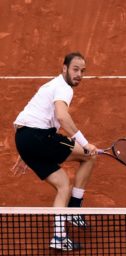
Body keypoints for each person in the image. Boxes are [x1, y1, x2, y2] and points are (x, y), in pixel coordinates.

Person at [12, 52, 97, 250]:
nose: (79, 75)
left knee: (63, 185)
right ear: (64, 68)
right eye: (75, 69)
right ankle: (74, 211)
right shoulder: (63, 88)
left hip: (24, 139)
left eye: (82, 71)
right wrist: (85, 144)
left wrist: (25, 152)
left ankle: (59, 238)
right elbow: (61, 116)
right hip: (39, 136)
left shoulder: (49, 86)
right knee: (89, 157)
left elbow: (31, 116)